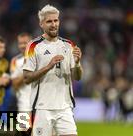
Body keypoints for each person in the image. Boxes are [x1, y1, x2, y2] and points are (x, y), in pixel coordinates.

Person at [23, 4, 83, 136]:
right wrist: (48, 67)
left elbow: (77, 77)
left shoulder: (69, 45)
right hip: (42, 107)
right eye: (49, 21)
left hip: (65, 107)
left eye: (56, 20)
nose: (53, 24)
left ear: (59, 21)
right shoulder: (33, 46)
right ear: (41, 24)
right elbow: (27, 78)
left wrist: (78, 64)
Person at [10, 32, 32, 112]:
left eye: (25, 43)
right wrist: (27, 71)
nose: (22, 46)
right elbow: (14, 84)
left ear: (31, 43)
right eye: (20, 43)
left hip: (42, 105)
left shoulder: (40, 58)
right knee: (24, 125)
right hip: (24, 105)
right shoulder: (15, 61)